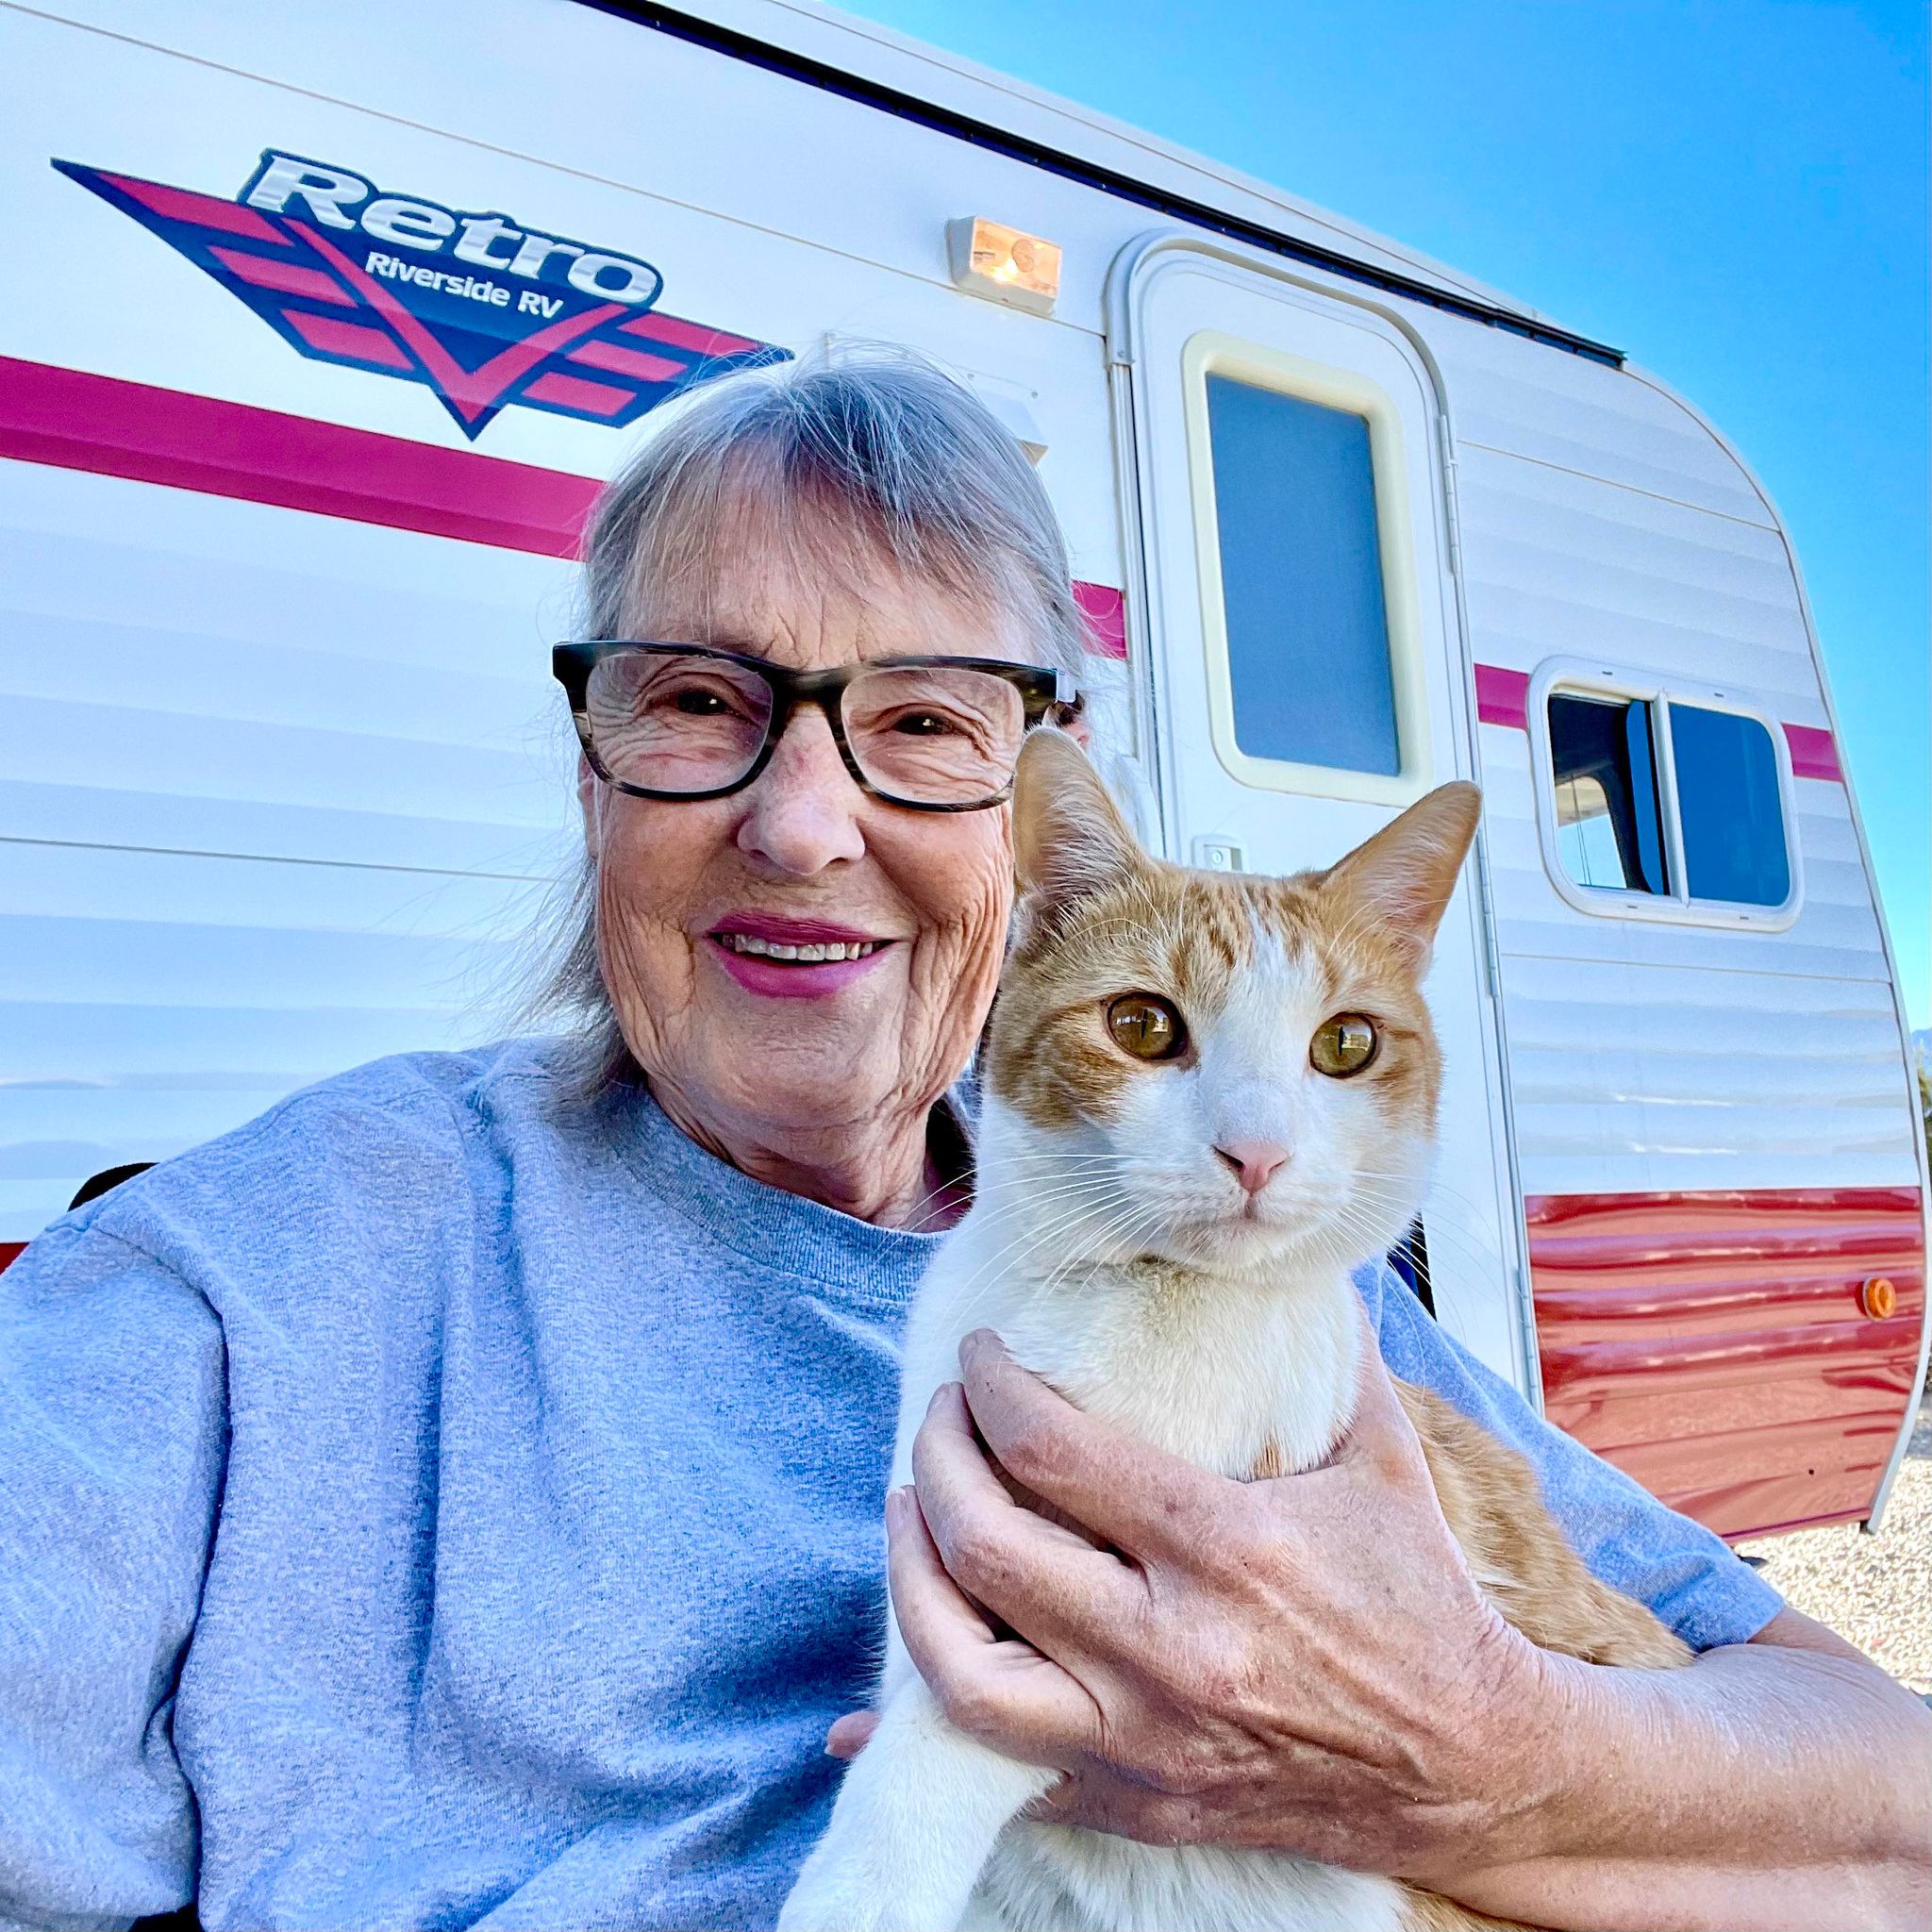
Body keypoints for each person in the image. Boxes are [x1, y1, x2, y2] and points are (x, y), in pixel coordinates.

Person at [0, 356, 1923, 1932]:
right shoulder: (286, 1260)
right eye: (699, 701)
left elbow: (1885, 1806)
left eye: (919, 723)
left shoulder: (1249, 1266)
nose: (805, 825)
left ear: (1038, 798)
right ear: (591, 761)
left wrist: (1492, 1749)